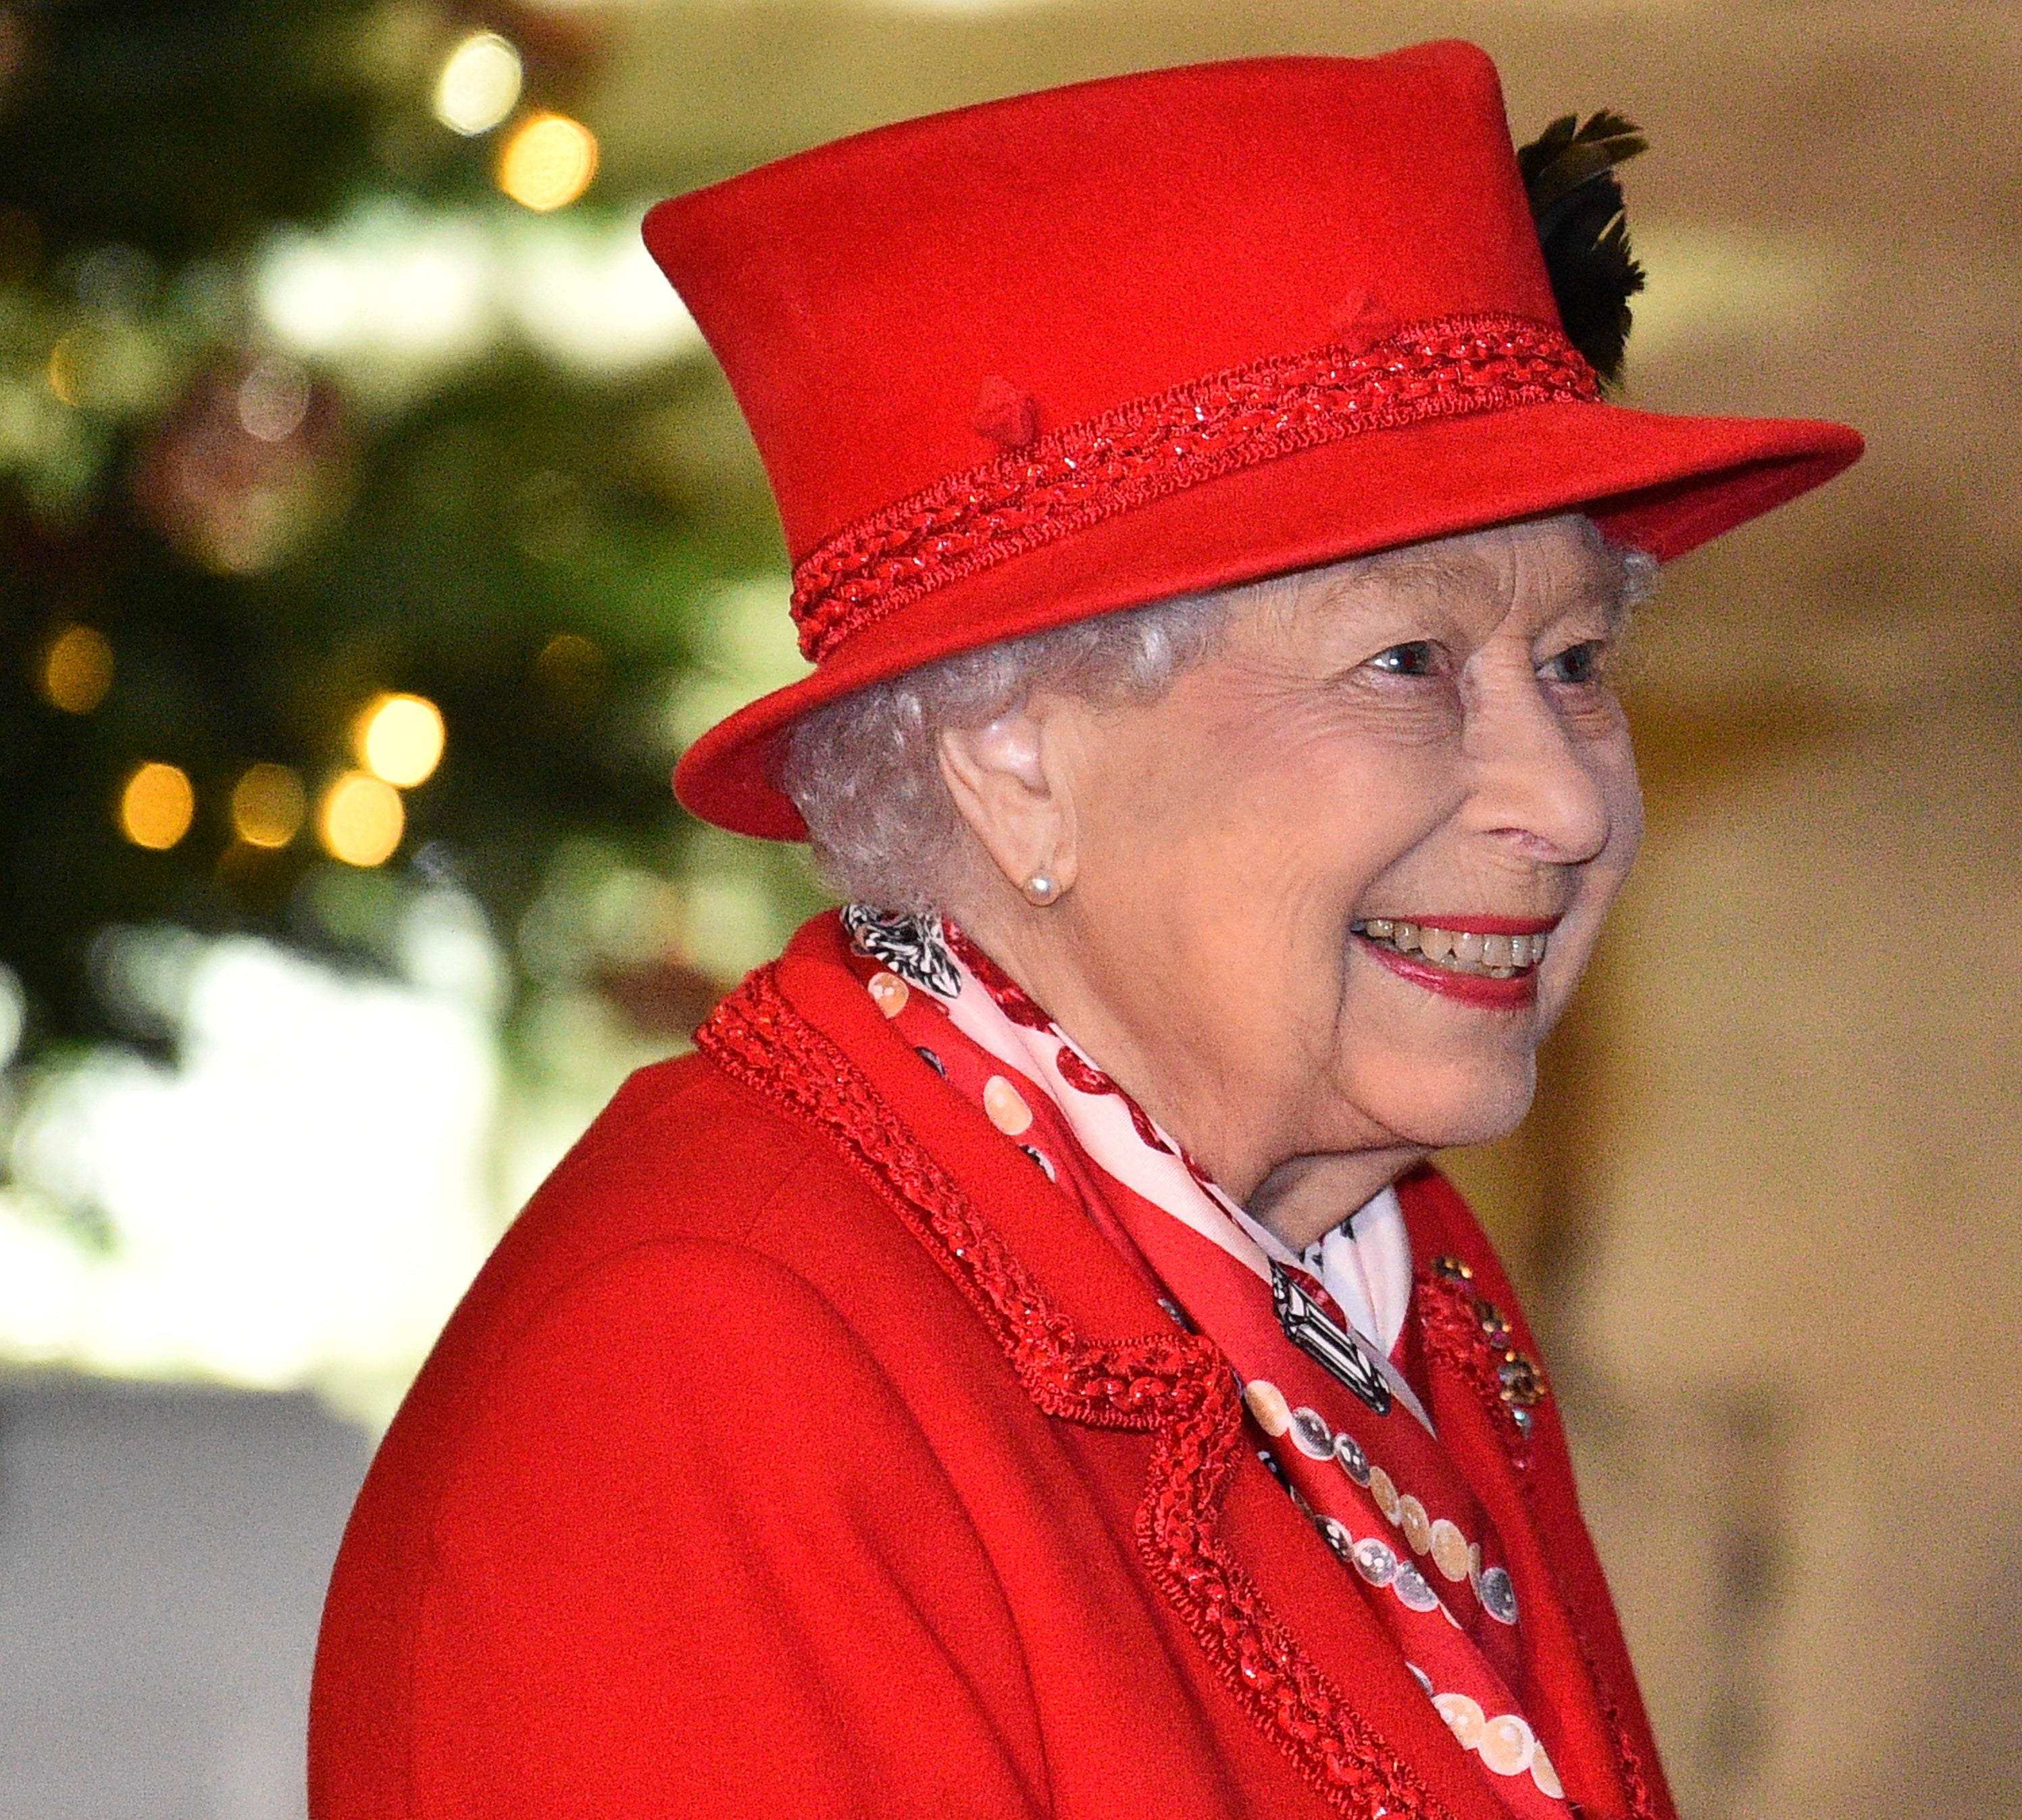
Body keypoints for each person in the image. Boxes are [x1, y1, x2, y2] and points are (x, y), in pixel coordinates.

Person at [309, 39, 1858, 1820]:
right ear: (1013, 764)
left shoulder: (1371, 1271)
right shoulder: (703, 1387)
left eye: (1576, 665)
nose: (1571, 803)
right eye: (1408, 664)